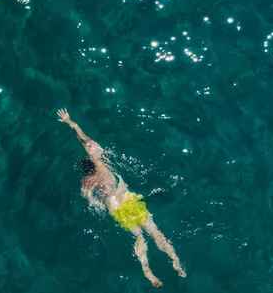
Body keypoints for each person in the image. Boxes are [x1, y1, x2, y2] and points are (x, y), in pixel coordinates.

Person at [57, 108, 186, 288]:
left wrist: (98, 207)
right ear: (92, 162)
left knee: (139, 238)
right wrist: (71, 122)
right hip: (127, 197)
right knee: (156, 233)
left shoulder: (86, 181)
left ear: (83, 171)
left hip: (114, 205)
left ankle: (148, 272)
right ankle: (176, 263)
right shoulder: (101, 162)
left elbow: (91, 201)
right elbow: (85, 140)